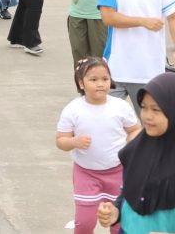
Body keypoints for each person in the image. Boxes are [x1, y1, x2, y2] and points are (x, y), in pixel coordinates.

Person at [97, 73, 175, 234]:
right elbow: (128, 194)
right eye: (143, 107)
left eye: (156, 110)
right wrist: (114, 213)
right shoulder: (134, 151)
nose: (147, 116)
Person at [56, 58, 140, 234]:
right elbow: (61, 140)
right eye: (93, 80)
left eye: (105, 79)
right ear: (81, 83)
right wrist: (74, 142)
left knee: (118, 221)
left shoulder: (120, 106)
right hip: (86, 173)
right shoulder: (73, 109)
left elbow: (135, 129)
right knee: (84, 222)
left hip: (118, 172)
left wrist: (130, 145)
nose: (100, 84)